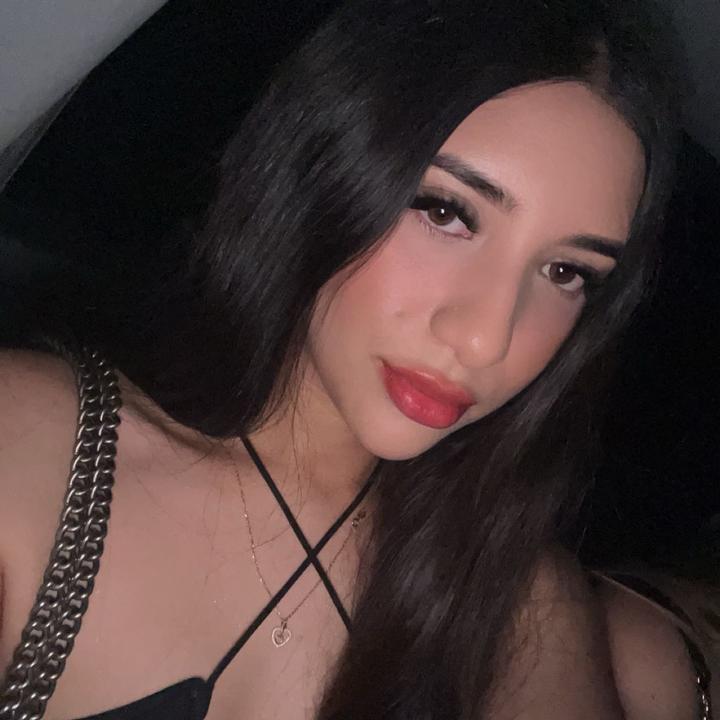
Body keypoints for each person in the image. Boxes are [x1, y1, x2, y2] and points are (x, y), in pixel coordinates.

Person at [0, 0, 712, 718]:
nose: (485, 339)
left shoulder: (514, 608)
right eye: (446, 212)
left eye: (565, 273)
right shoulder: (34, 457)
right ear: (320, 172)